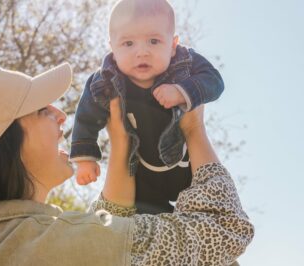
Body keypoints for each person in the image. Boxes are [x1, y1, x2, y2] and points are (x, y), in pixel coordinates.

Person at [0, 63, 253, 266]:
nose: (61, 115)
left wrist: (122, 144)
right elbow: (225, 231)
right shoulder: (49, 247)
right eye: (41, 110)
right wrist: (194, 131)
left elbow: (101, 236)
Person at [70, 0, 224, 214]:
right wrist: (85, 158)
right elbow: (86, 118)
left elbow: (214, 81)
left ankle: (197, 219)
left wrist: (182, 90)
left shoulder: (185, 62)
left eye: (153, 41)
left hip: (184, 164)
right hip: (142, 171)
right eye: (128, 44)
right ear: (112, 48)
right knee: (143, 213)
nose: (142, 52)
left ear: (173, 46)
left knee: (202, 207)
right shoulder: (104, 81)